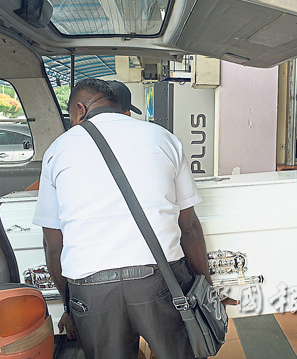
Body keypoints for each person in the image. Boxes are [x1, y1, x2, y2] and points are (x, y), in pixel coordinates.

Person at [33, 78, 211, 359]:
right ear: (119, 107)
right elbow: (188, 226)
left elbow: (54, 244)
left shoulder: (57, 150)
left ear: (80, 110)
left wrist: (70, 308)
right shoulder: (162, 137)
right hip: (161, 278)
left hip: (91, 286)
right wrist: (205, 285)